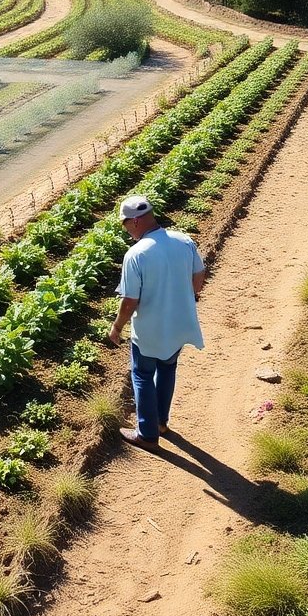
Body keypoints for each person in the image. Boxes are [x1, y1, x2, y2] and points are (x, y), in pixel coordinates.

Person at [107, 194, 206, 452]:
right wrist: (188, 296)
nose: (126, 229)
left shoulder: (136, 254)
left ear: (136, 221)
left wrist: (117, 327)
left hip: (150, 329)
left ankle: (148, 434)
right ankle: (161, 422)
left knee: (141, 375)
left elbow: (130, 300)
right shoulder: (184, 241)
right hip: (179, 324)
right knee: (167, 368)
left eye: (125, 224)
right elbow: (199, 275)